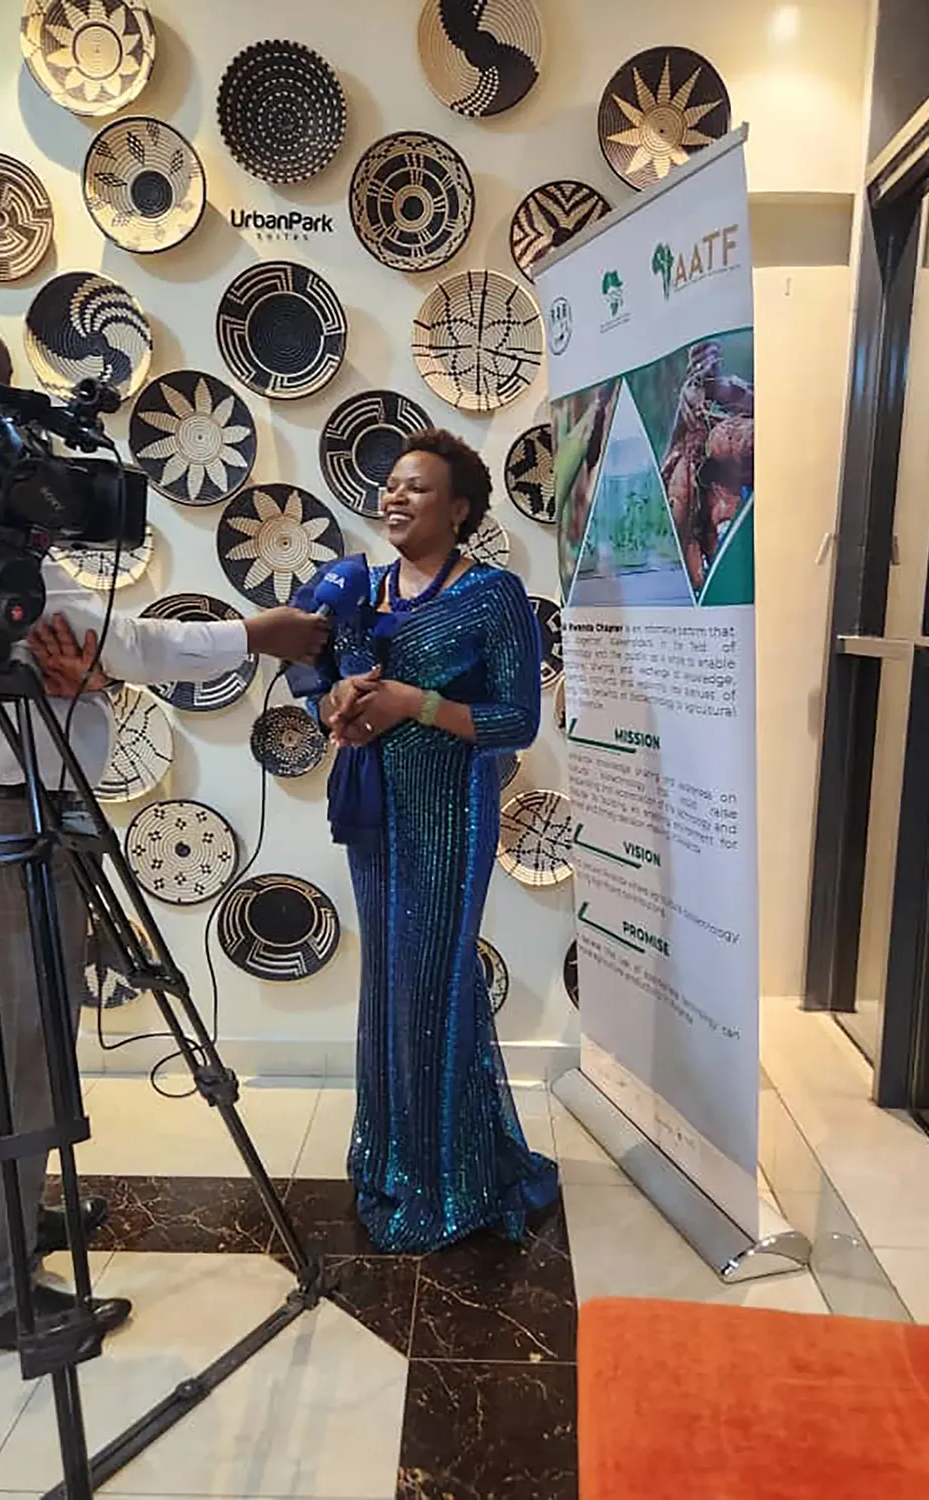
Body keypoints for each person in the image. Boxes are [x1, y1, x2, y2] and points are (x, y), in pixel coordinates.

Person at [0, 301, 327, 1352]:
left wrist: (84, 658)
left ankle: (14, 1220)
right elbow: (95, 639)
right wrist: (252, 634)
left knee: (28, 1033)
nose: (5, 430)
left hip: (14, 794)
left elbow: (69, 647)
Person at [307, 429, 559, 1251]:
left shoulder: (493, 594)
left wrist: (416, 704)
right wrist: (338, 703)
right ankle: (395, 1161)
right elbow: (321, 690)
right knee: (388, 986)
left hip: (451, 816)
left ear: (459, 510)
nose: (395, 496)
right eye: (391, 484)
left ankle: (448, 1183)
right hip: (373, 816)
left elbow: (516, 719)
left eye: (416, 486)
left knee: (433, 990)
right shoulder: (359, 590)